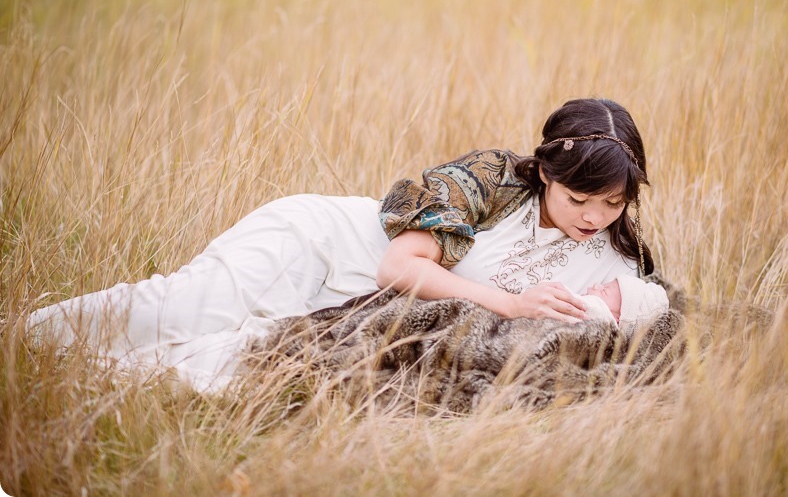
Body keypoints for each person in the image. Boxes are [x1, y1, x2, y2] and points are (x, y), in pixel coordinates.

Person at [27, 98, 656, 391]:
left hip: (343, 315)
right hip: (320, 245)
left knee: (208, 362)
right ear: (547, 172)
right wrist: (510, 303)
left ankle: (62, 377)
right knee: (189, 308)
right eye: (578, 200)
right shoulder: (491, 180)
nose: (594, 217)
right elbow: (397, 266)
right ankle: (23, 339)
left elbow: (611, 321)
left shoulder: (615, 261)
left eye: (613, 203)